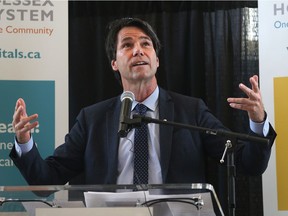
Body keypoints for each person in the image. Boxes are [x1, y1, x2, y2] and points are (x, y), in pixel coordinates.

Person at [10, 17, 276, 185]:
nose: (138, 49)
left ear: (156, 60)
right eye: (127, 45)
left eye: (145, 44)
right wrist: (24, 143)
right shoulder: (92, 119)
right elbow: (46, 180)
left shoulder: (190, 111)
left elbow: (247, 164)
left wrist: (257, 121)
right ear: (114, 63)